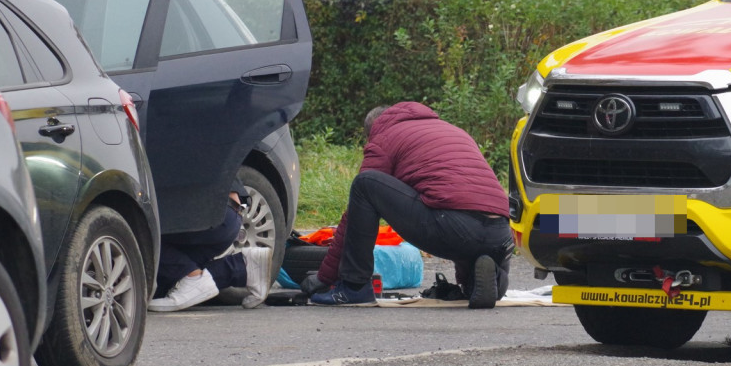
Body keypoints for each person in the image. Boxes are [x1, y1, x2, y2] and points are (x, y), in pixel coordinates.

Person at [303, 102, 513, 308]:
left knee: (364, 184)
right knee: (472, 254)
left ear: (373, 129)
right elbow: (460, 196)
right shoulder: (453, 131)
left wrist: (324, 277)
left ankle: (354, 286)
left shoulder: (383, 137)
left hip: (454, 228)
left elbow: (353, 216)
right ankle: (491, 280)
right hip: (501, 234)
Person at [149, 180, 272, 312]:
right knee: (163, 284)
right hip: (228, 214)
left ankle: (192, 276)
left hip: (206, 214)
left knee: (142, 237)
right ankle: (243, 266)